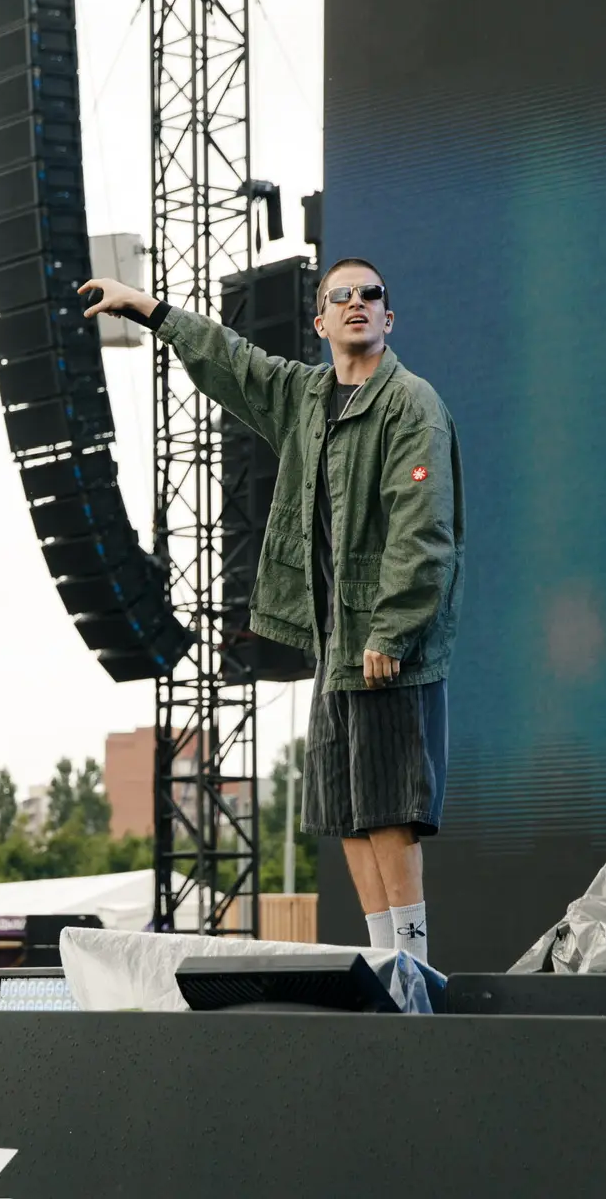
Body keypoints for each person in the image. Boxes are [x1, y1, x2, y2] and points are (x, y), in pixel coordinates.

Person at [84, 263, 463, 964]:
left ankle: (414, 966)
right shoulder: (304, 396)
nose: (356, 303)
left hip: (388, 646)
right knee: (349, 813)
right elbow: (233, 360)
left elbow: (424, 530)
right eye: (340, 296)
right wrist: (147, 308)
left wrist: (392, 631)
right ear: (321, 322)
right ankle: (386, 962)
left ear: (389, 318)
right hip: (335, 643)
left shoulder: (412, 403)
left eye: (371, 294)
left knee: (391, 811)